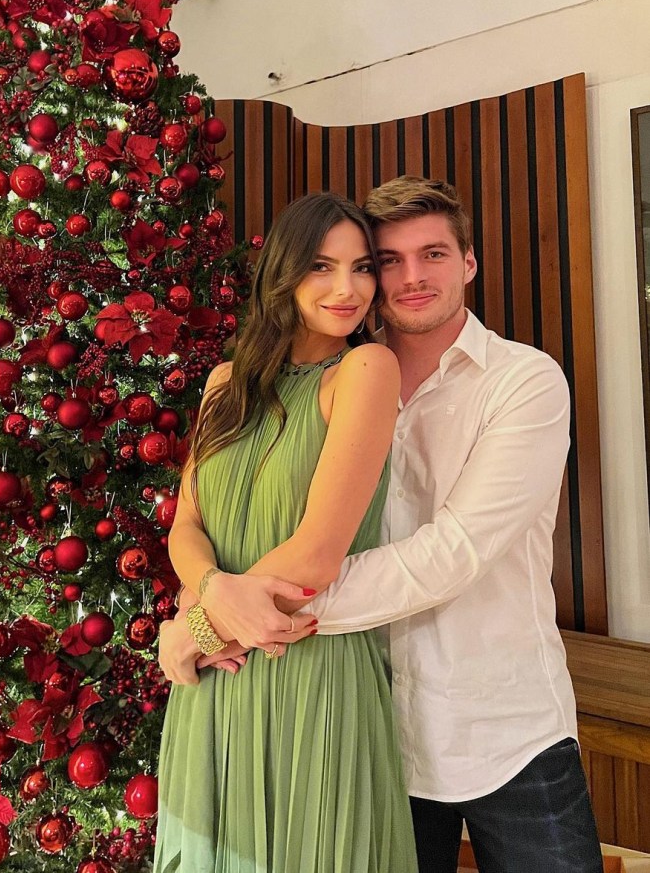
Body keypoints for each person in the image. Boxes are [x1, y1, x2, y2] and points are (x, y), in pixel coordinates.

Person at [161, 177, 603, 873]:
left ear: (469, 263)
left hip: (499, 725)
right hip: (369, 724)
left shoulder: (523, 381)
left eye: (431, 254)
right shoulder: (336, 377)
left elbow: (449, 554)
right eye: (386, 259)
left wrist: (221, 616)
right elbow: (214, 521)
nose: (409, 276)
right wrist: (213, 595)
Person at [154, 192, 418, 872]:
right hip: (214, 684)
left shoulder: (365, 369)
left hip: (308, 667)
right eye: (323, 267)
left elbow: (319, 553)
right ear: (284, 272)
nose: (348, 288)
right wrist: (210, 593)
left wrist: (196, 629)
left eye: (362, 268)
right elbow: (186, 524)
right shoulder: (222, 384)